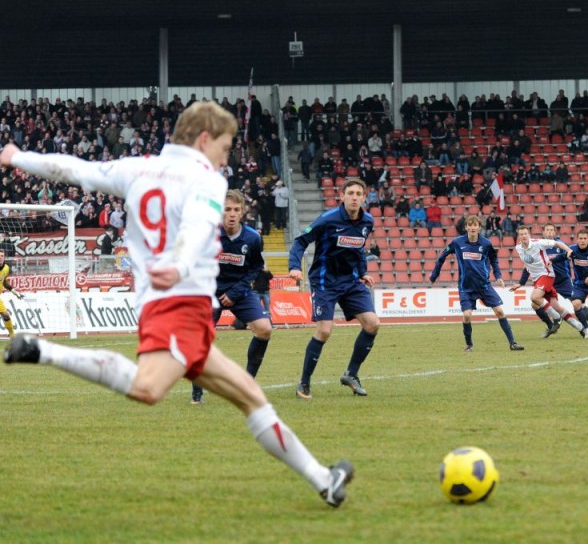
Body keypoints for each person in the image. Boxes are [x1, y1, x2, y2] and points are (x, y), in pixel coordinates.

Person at [0, 102, 354, 507]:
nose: (226, 157)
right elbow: (199, 225)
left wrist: (18, 157)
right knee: (148, 386)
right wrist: (180, 263)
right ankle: (41, 349)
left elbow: (73, 168)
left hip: (167, 304)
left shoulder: (138, 168)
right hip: (181, 302)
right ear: (204, 139)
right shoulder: (205, 178)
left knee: (251, 398)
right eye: (225, 147)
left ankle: (324, 480)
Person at [288, 178, 379, 400]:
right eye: (351, 193)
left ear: (364, 197)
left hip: (351, 281)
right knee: (325, 330)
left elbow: (359, 250)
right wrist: (294, 267)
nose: (355, 197)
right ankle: (304, 383)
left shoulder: (367, 221)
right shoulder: (328, 219)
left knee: (372, 324)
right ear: (342, 196)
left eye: (359, 193)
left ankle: (351, 374)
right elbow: (301, 241)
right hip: (324, 281)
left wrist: (363, 271)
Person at [190, 190, 274, 405]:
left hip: (240, 291)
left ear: (243, 211)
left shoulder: (253, 238)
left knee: (264, 329)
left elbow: (255, 266)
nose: (232, 214)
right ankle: (197, 393)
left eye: (236, 210)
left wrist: (235, 293)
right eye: (227, 209)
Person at [429, 215, 524, 353]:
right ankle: (469, 345)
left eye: (475, 225)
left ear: (479, 227)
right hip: (466, 287)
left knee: (499, 311)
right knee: (467, 315)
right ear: (466, 227)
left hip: (484, 285)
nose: (473, 227)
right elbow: (442, 256)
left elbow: (494, 260)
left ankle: (512, 343)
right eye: (470, 225)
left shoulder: (486, 244)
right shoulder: (457, 242)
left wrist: (498, 276)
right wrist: (434, 275)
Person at [508, 225, 584, 339]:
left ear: (529, 234)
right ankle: (580, 327)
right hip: (537, 279)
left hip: (547, 274)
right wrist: (521, 283)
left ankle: (556, 319)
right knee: (555, 306)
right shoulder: (518, 248)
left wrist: (568, 250)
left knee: (534, 297)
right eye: (521, 234)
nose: (523, 236)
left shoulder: (537, 243)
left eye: (525, 234)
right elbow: (527, 266)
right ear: (518, 236)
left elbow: (557, 243)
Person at [542, 223, 588, 337]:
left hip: (564, 281)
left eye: (551, 230)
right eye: (547, 230)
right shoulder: (541, 247)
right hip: (549, 281)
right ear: (544, 232)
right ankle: (554, 324)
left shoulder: (561, 245)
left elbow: (572, 255)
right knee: (542, 303)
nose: (549, 232)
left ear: (554, 232)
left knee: (578, 304)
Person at [0, 250, 23, 337]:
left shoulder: (6, 268)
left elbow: (4, 282)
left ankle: (12, 334)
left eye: (2, 256)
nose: (0, 257)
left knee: (6, 315)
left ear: (4, 257)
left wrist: (15, 292)